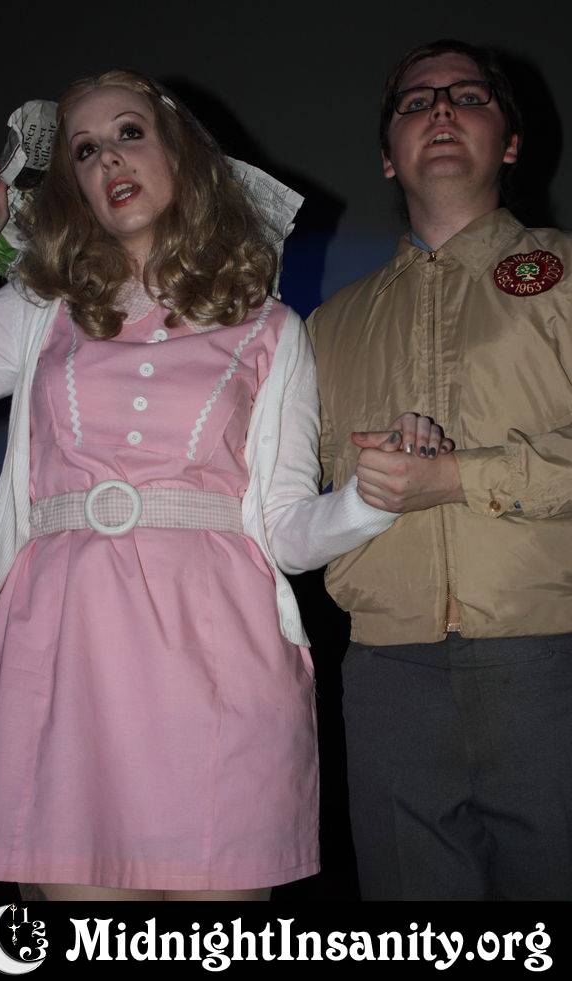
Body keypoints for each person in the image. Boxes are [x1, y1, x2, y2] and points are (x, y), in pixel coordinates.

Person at [0, 69, 429, 902]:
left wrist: (369, 498)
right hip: (63, 641)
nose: (109, 158)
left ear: (180, 152)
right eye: (84, 150)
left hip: (217, 649)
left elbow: (284, 529)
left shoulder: (271, 327)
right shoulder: (40, 306)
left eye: (129, 132)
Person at [308, 38, 572, 901]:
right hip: (385, 678)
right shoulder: (325, 328)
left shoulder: (568, 274)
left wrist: (460, 476)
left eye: (468, 95)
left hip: (551, 654)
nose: (443, 109)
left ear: (511, 142)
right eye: (416, 102)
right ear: (389, 157)